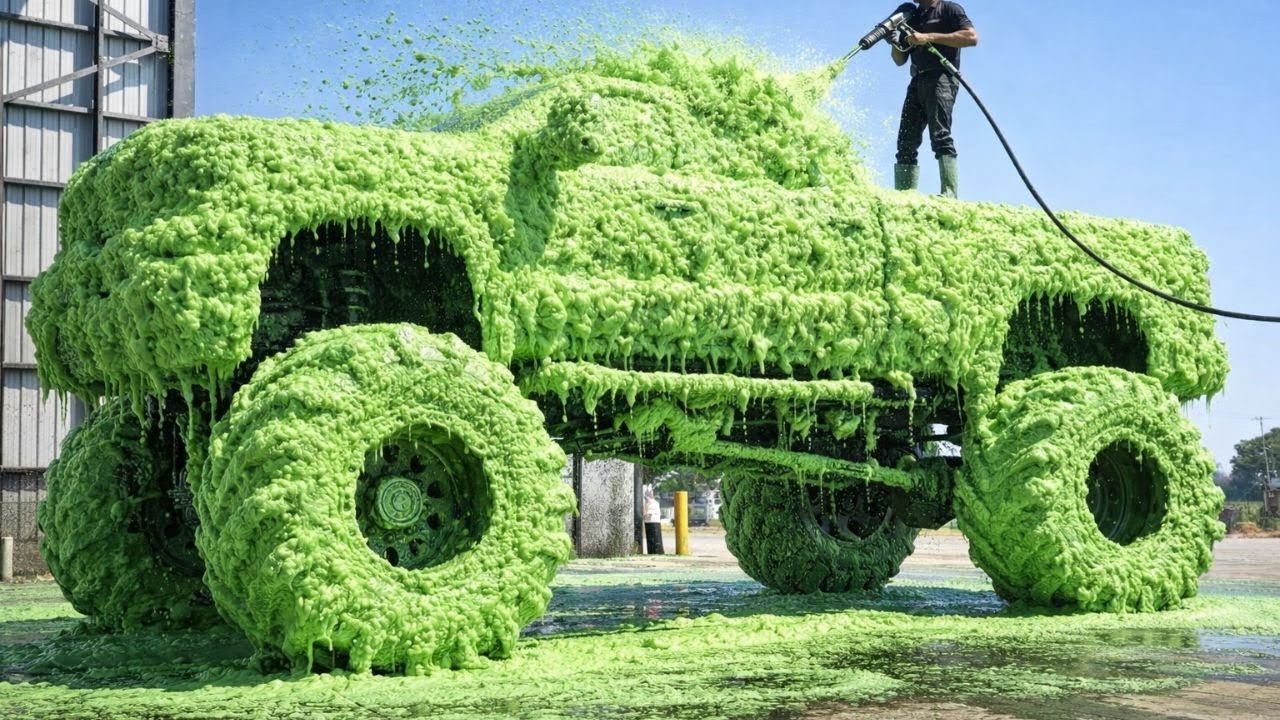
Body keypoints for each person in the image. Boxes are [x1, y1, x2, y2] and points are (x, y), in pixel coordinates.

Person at [890, 0, 979, 198]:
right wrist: (894, 41)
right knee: (906, 141)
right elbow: (899, 60)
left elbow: (971, 37)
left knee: (940, 135)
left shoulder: (949, 9)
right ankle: (904, 195)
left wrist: (928, 37)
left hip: (942, 78)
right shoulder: (912, 16)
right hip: (917, 79)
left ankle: (949, 193)